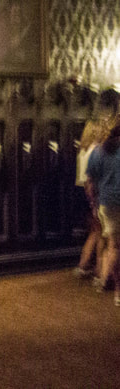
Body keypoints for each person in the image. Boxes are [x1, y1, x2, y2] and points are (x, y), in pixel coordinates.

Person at [85, 121, 120, 305]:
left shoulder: (99, 151)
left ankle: (116, 291)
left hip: (106, 204)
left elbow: (90, 182)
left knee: (112, 245)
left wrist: (93, 204)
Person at [75, 118, 106, 280]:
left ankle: (84, 264)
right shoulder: (96, 150)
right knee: (100, 234)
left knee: (93, 232)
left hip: (81, 193)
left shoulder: (82, 150)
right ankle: (100, 271)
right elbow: (92, 178)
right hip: (91, 194)